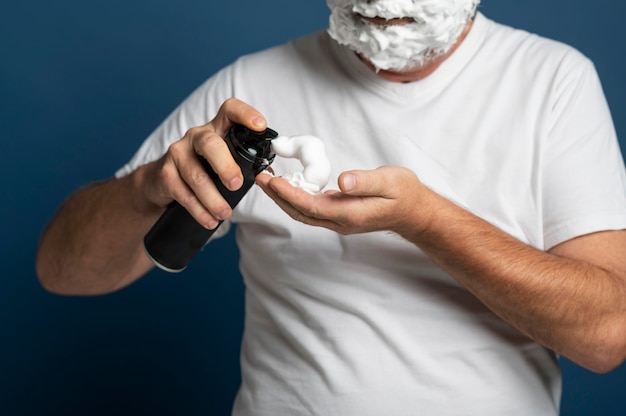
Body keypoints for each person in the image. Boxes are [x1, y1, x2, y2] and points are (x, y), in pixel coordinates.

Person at [36, 0, 626, 414]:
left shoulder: (552, 83)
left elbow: (607, 335)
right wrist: (147, 188)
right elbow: (61, 271)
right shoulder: (250, 90)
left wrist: (423, 220)